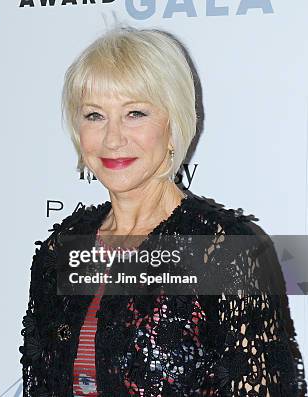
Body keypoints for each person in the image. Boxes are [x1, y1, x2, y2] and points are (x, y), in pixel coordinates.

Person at [19, 25, 307, 396]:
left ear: (173, 125)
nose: (112, 138)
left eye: (135, 113)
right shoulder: (63, 247)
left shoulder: (226, 250)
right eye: (94, 115)